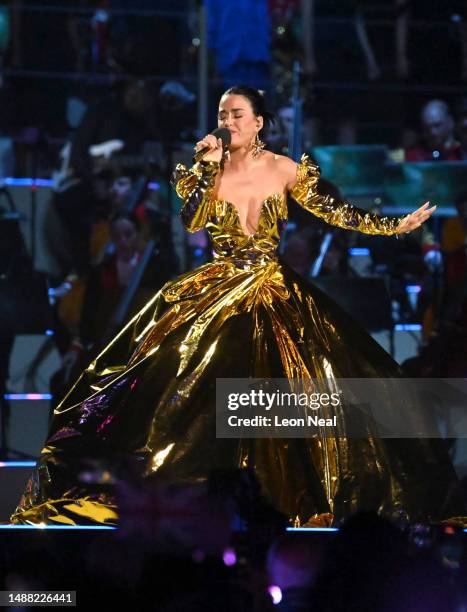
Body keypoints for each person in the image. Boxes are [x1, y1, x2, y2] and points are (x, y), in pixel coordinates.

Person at [10, 86, 466, 527]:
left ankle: (290, 494)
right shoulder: (203, 169)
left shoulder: (286, 168)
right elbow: (192, 221)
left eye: (237, 115)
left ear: (259, 122)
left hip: (273, 285)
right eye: (222, 115)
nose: (227, 122)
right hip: (218, 285)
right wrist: (207, 168)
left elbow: (338, 213)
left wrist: (395, 226)